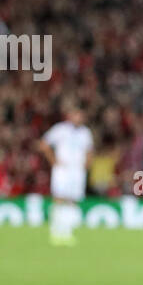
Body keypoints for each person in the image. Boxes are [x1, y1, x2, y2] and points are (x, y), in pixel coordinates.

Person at [39, 102, 95, 246]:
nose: (79, 118)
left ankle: (68, 232)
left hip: (77, 171)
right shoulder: (60, 129)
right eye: (77, 115)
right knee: (59, 198)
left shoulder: (85, 133)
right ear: (70, 116)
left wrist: (85, 166)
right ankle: (56, 231)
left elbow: (89, 151)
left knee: (73, 200)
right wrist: (54, 161)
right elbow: (44, 144)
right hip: (63, 170)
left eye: (81, 116)